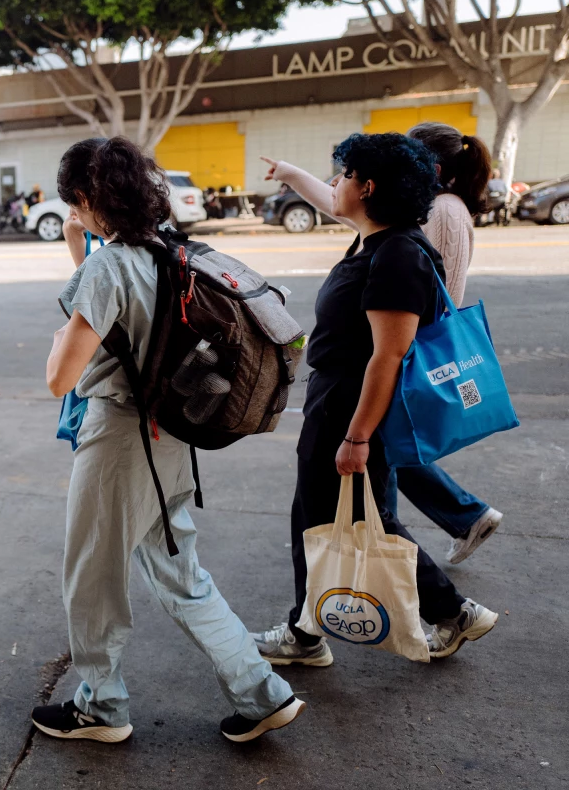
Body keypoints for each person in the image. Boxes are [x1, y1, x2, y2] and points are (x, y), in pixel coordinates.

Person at [33, 136, 304, 746]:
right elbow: (130, 319)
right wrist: (80, 250)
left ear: (83, 198)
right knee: (183, 575)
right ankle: (262, 693)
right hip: (169, 436)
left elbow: (60, 377)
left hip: (117, 444)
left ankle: (101, 707)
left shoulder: (108, 267)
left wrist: (61, 327)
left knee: (92, 577)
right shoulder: (168, 251)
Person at [252, 133, 499, 667]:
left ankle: (450, 613)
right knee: (329, 517)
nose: (334, 183)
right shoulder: (375, 240)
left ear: (367, 187)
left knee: (355, 520)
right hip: (336, 397)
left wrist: (357, 437)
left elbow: (388, 356)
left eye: (341, 175)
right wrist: (293, 172)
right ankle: (307, 628)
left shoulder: (397, 256)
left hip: (351, 404)